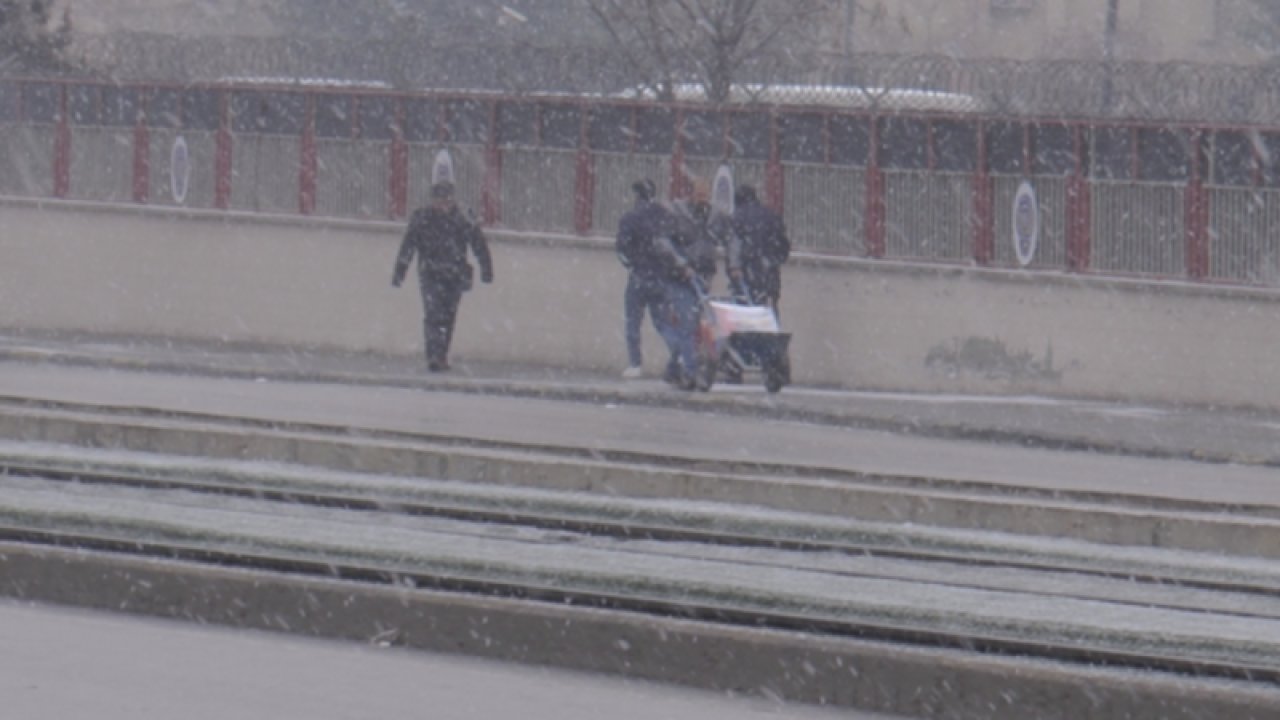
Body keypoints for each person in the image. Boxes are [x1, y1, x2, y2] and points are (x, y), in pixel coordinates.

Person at [392, 181, 493, 372]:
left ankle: (442, 354)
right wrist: (399, 273)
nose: (443, 205)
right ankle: (434, 356)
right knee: (433, 313)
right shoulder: (422, 218)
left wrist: (486, 270)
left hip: (455, 274)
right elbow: (408, 246)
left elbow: (479, 244)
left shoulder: (462, 218)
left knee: (448, 315)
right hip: (430, 273)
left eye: (446, 201)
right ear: (433, 201)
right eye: (439, 201)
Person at [615, 178, 673, 380]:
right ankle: (678, 356)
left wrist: (632, 264)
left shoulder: (630, 218)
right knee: (663, 322)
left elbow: (621, 249)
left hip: (639, 275)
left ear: (637, 195)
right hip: (660, 277)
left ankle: (635, 364)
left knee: (633, 322)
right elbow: (673, 245)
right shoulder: (665, 216)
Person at [727, 184, 790, 315]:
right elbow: (783, 246)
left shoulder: (738, 217)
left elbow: (734, 243)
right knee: (768, 313)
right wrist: (772, 262)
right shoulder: (771, 216)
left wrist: (735, 267)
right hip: (769, 277)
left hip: (746, 276)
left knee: (745, 314)